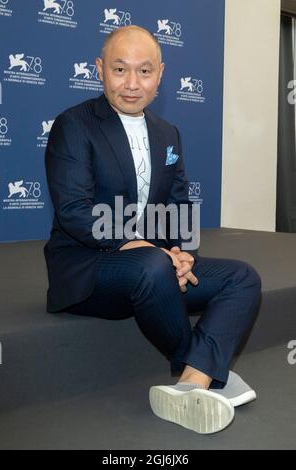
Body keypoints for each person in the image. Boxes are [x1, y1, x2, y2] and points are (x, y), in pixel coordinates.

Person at [44, 25, 262, 434]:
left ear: (161, 74)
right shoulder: (74, 126)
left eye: (144, 72)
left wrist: (182, 255)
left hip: (154, 269)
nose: (131, 84)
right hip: (88, 270)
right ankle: (203, 369)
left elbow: (177, 205)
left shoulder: (167, 133)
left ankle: (191, 384)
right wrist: (141, 245)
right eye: (119, 70)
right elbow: (74, 211)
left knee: (242, 276)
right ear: (99, 70)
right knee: (150, 263)